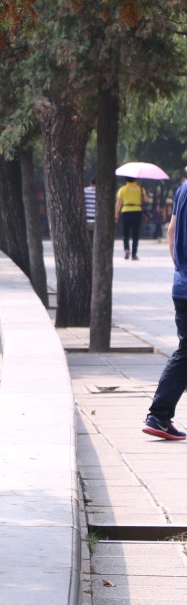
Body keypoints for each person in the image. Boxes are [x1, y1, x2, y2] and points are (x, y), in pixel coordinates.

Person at [143, 169, 187, 440]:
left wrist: (181, 269)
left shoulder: (182, 190)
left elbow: (171, 231)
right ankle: (158, 415)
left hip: (182, 286)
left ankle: (159, 416)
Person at [115, 176, 147, 260]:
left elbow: (118, 203)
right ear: (135, 179)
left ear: (126, 179)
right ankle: (134, 254)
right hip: (137, 211)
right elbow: (146, 200)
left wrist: (116, 214)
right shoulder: (140, 189)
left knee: (125, 233)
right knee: (135, 234)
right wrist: (142, 194)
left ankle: (126, 249)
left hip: (125, 211)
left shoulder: (122, 189)